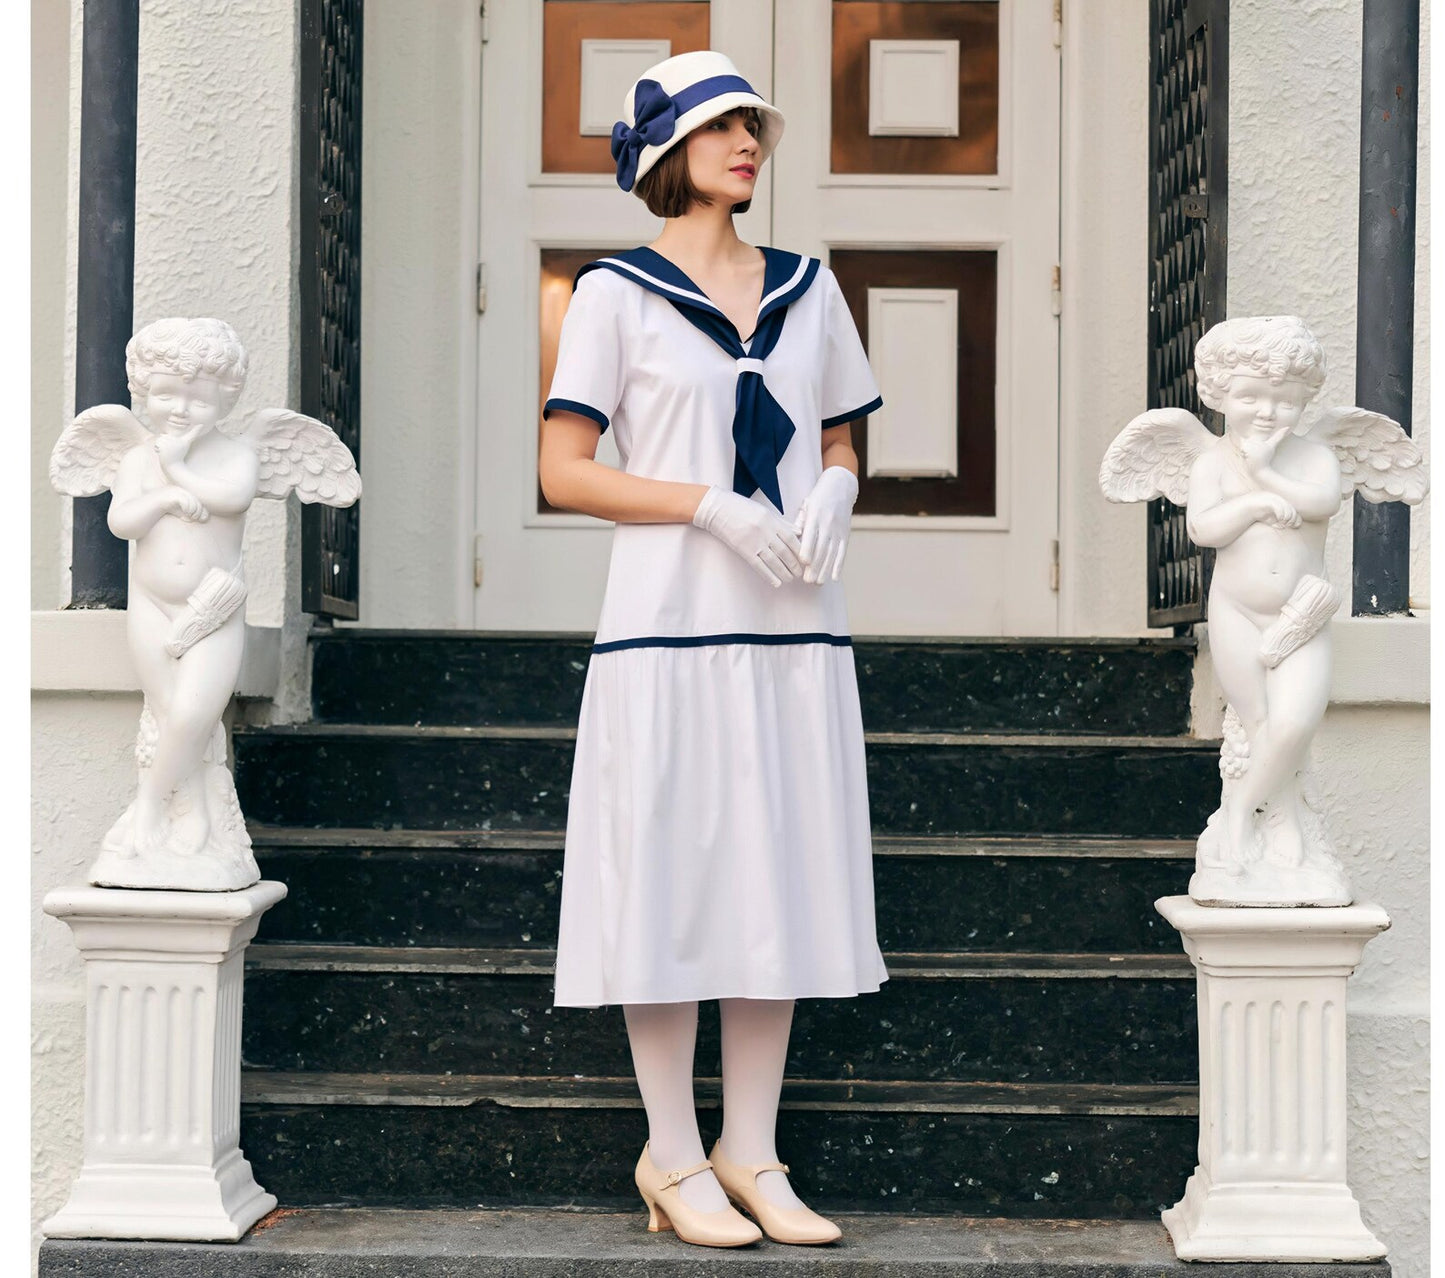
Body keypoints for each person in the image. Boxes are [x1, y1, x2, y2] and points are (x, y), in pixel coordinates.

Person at [537, 50, 888, 1249]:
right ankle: (672, 1156)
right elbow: (564, 469)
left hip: (791, 627)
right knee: (668, 882)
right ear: (667, 154)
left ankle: (752, 1149)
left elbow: (840, 440)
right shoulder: (612, 295)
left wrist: (835, 490)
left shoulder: (810, 289)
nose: (749, 140)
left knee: (772, 879)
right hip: (668, 630)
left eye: (753, 125)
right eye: (723, 125)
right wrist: (705, 503)